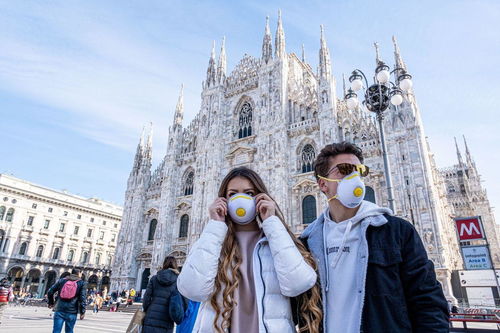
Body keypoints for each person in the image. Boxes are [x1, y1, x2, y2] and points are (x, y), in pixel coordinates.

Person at [300, 142, 449, 332]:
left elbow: (428, 301)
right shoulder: (308, 241)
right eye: (344, 170)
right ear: (323, 184)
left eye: (359, 171)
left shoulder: (397, 231)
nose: (354, 177)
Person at [178, 166, 322, 333]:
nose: (241, 199)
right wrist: (215, 226)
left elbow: (299, 284)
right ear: (223, 200)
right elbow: (192, 290)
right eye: (232, 194)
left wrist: (271, 222)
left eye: (249, 193)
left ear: (261, 197)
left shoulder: (275, 241)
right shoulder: (213, 241)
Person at [142, 256, 185, 332]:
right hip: (167, 318)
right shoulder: (179, 280)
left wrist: (147, 310)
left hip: (151, 316)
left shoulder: (154, 278)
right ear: (175, 265)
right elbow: (182, 301)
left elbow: (146, 299)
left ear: (164, 264)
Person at [47, 268, 87, 333]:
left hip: (59, 309)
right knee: (69, 331)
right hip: (72, 312)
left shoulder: (62, 280)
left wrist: (51, 303)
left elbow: (50, 291)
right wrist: (82, 311)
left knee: (56, 331)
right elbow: (82, 298)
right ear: (79, 274)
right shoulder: (82, 283)